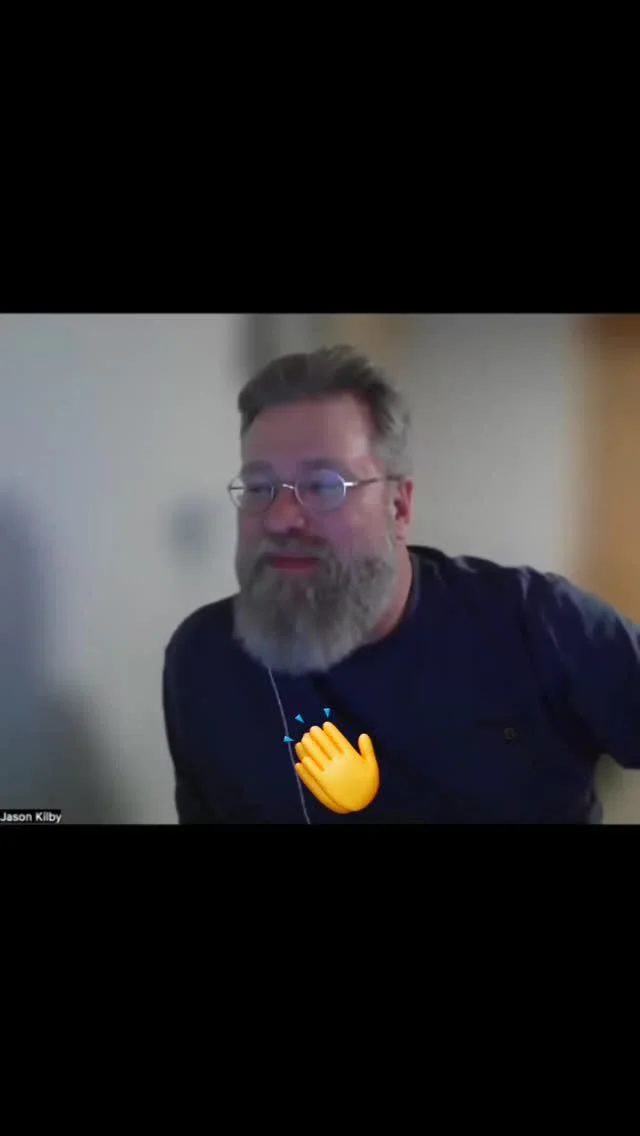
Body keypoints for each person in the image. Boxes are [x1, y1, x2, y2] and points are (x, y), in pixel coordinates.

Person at [162, 345, 640, 824]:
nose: (281, 517)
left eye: (324, 486)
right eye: (259, 487)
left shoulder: (540, 625)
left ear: (399, 506)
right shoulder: (203, 659)